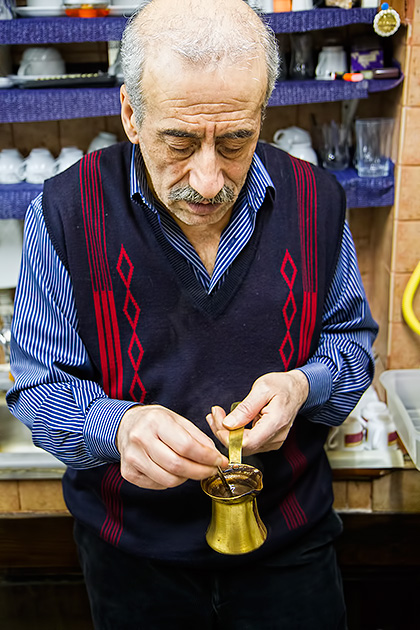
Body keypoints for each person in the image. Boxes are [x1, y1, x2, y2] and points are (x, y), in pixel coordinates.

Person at [7, 0, 378, 628]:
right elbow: (41, 390)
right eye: (179, 142)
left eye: (234, 142)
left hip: (288, 543)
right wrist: (119, 428)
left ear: (262, 114)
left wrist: (303, 386)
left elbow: (352, 347)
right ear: (130, 114)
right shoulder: (66, 211)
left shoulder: (317, 202)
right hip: (133, 559)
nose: (208, 182)